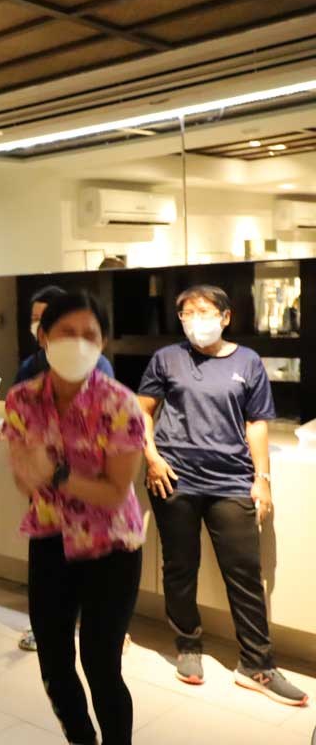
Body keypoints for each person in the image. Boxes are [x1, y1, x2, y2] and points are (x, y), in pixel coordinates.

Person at [138, 285, 308, 706]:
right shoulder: (166, 358)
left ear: (226, 316)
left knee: (245, 572)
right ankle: (188, 646)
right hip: (174, 479)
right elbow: (142, 412)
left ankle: (257, 664)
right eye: (187, 312)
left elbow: (257, 423)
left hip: (231, 480)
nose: (196, 319)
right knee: (179, 567)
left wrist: (262, 478)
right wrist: (152, 459)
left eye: (205, 311)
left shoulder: (247, 361)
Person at [2, 291, 146, 745]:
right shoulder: (22, 399)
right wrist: (28, 472)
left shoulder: (120, 404)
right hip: (50, 540)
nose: (79, 343)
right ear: (44, 337)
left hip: (111, 546)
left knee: (101, 667)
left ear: (102, 344)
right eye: (67, 332)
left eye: (90, 335)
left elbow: (115, 492)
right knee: (54, 665)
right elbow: (24, 481)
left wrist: (56, 475)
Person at [5, 284, 114, 651]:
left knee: (90, 557)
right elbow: (19, 421)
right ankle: (47, 626)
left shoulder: (97, 366)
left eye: (47, 317)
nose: (40, 325)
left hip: (86, 484)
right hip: (44, 488)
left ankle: (102, 625)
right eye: (35, 318)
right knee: (49, 560)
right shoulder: (29, 367)